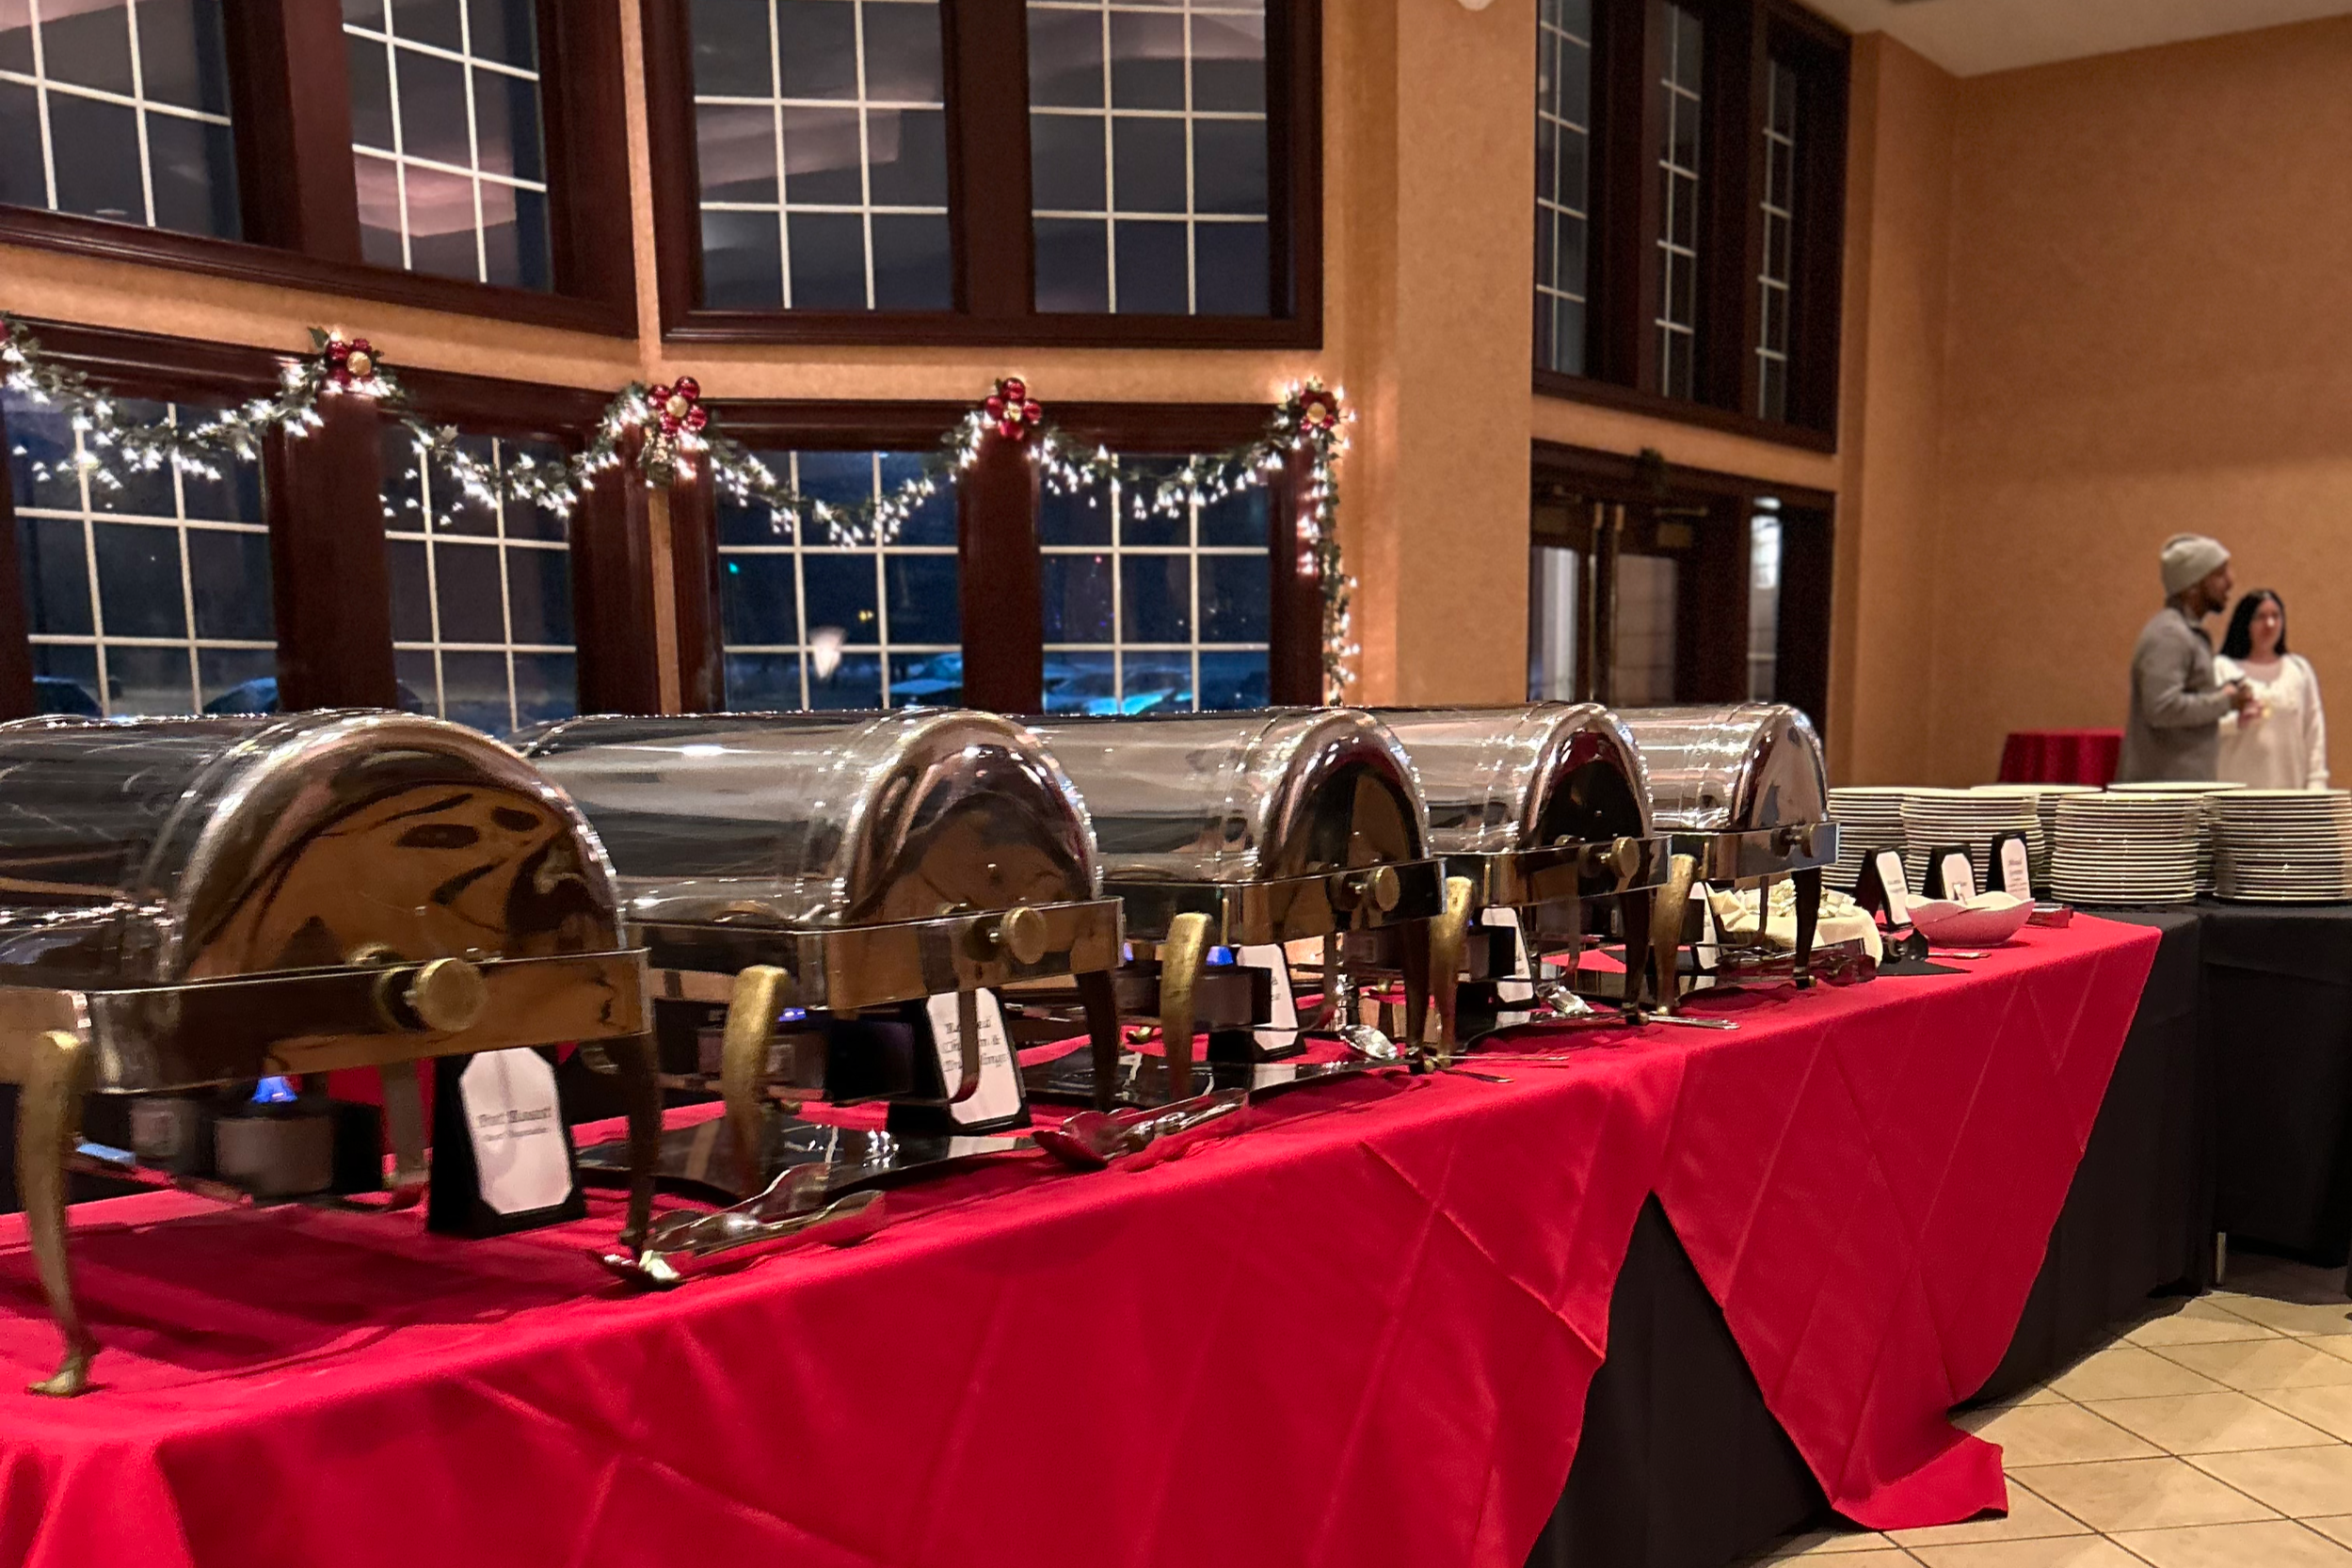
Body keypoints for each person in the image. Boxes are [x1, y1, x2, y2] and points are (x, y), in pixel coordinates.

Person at [2117, 533, 2261, 782]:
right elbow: (2162, 708)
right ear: (2192, 586)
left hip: (2180, 790)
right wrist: (2225, 702)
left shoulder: (2184, 633)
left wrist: (2224, 692)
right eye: (2219, 574)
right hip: (2163, 794)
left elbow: (2183, 698)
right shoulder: (2169, 635)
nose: (2230, 582)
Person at [2216, 589, 2328, 789]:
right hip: (2238, 793)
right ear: (2245, 622)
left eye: (2275, 616)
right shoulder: (2223, 668)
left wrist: (2316, 781)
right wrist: (2236, 722)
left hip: (2290, 791)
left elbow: (2313, 729)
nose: (2269, 624)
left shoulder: (2298, 670)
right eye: (2260, 617)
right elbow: (2205, 727)